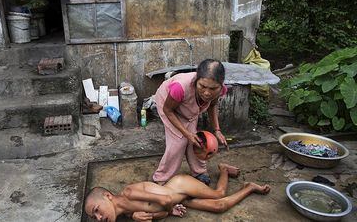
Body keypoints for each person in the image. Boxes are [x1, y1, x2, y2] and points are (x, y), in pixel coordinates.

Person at [84, 163, 270, 222]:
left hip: (180, 187)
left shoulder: (129, 192)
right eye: (95, 218)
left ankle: (223, 169)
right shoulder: (127, 213)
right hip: (178, 200)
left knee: (219, 193)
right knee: (220, 207)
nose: (99, 218)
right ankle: (250, 187)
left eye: (97, 210)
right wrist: (141, 216)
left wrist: (164, 210)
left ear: (108, 196)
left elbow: (165, 200)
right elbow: (164, 211)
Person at [153, 59, 228, 185]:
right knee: (179, 141)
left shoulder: (220, 90)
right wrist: (187, 133)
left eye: (213, 88)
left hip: (189, 108)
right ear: (196, 80)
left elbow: (212, 106)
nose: (207, 92)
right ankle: (161, 178)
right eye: (202, 86)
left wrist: (217, 130)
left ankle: (199, 172)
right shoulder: (180, 87)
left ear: (221, 85)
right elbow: (168, 110)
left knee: (197, 140)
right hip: (167, 103)